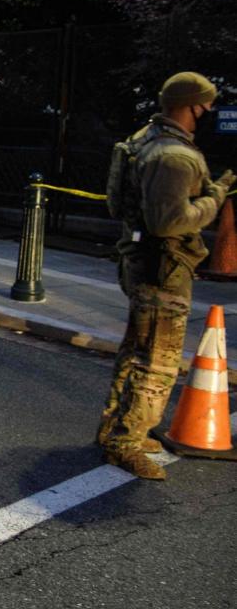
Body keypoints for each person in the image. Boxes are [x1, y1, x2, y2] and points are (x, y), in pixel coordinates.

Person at [97, 71, 234, 480]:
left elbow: (116, 203)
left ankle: (114, 430)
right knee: (157, 362)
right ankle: (126, 444)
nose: (208, 113)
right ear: (189, 105)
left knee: (135, 352)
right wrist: (214, 197)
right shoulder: (175, 157)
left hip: (141, 260)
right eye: (205, 106)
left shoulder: (144, 139)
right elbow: (171, 222)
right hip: (164, 268)